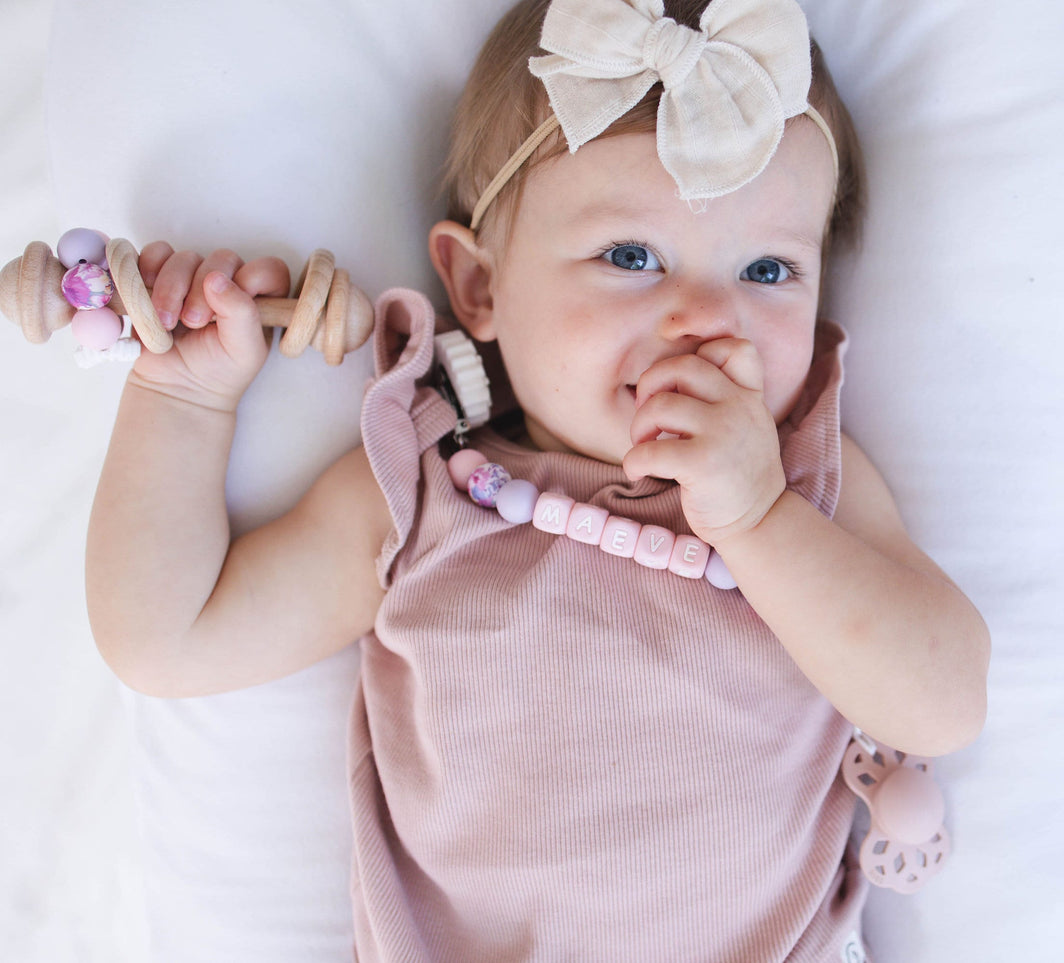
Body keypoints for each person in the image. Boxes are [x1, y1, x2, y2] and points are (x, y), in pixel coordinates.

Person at [85, 0, 990, 958]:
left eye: (768, 268)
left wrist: (759, 519)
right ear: (478, 288)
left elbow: (942, 703)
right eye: (631, 256)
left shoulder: (809, 490)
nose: (705, 317)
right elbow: (167, 638)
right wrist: (183, 401)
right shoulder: (427, 495)